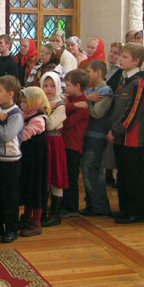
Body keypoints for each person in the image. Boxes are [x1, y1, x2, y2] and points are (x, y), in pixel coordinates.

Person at [107, 42, 144, 224]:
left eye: (124, 57)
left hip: (131, 138)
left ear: (136, 61)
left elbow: (132, 112)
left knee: (132, 176)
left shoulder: (138, 83)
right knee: (122, 175)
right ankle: (124, 209)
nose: (120, 59)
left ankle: (135, 212)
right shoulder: (124, 79)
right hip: (119, 137)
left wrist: (116, 130)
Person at [0, 75, 24, 244]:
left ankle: (11, 228)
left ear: (10, 94)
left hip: (10, 160)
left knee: (9, 196)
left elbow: (5, 135)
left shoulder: (16, 114)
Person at [80, 60, 113, 216]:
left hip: (97, 136)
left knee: (92, 171)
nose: (86, 75)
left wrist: (84, 100)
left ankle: (99, 206)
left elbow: (97, 113)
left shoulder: (105, 91)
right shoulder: (90, 91)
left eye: (89, 72)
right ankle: (92, 204)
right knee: (87, 171)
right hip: (88, 135)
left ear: (98, 73)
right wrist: (86, 98)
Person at [18, 87, 50, 237]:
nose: (22, 104)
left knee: (36, 188)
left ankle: (36, 222)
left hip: (36, 160)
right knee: (27, 187)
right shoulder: (25, 115)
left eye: (25, 101)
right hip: (27, 158)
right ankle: (26, 217)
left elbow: (24, 136)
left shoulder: (38, 120)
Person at [40, 72, 68, 227]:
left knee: (56, 177)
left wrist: (42, 111)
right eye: (45, 85)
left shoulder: (59, 104)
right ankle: (42, 213)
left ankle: (55, 215)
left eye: (52, 86)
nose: (48, 89)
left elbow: (50, 124)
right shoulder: (40, 102)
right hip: (43, 143)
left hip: (54, 142)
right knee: (44, 177)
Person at [60, 69, 90, 218]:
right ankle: (63, 203)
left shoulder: (82, 105)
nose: (65, 87)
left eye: (68, 85)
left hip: (73, 144)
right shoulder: (72, 101)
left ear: (77, 86)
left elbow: (66, 122)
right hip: (65, 142)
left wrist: (69, 106)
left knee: (71, 177)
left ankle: (71, 207)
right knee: (64, 175)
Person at [104, 42, 123, 187]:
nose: (112, 54)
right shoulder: (107, 68)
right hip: (106, 109)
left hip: (113, 110)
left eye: (116, 53)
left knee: (112, 145)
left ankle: (113, 174)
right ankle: (108, 173)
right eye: (111, 51)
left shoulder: (120, 72)